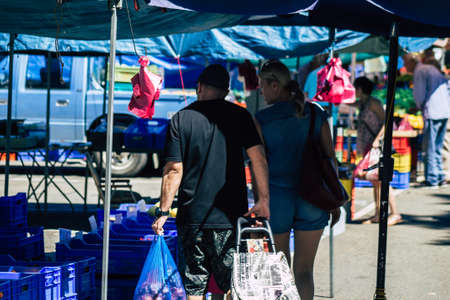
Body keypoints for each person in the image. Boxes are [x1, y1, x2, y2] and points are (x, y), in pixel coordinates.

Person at [152, 64, 270, 300]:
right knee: (233, 284)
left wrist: (163, 210)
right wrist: (263, 200)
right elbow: (258, 159)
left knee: (194, 284)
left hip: (192, 218)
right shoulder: (240, 115)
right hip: (230, 218)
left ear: (199, 87)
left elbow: (174, 170)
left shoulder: (181, 119)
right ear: (226, 90)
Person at [255, 60, 340, 300]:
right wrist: (334, 201)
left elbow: (258, 163)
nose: (260, 91)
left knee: (280, 271)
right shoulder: (315, 113)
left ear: (274, 86)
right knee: (304, 272)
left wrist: (260, 200)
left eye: (262, 85)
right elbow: (330, 159)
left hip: (277, 201)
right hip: (313, 198)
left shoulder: (262, 119)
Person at [353, 76, 402, 225]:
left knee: (383, 180)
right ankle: (378, 214)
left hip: (378, 147)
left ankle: (395, 214)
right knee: (376, 181)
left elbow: (387, 122)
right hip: (370, 146)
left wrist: (377, 140)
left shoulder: (373, 103)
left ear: (360, 89)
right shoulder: (363, 103)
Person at [403, 54, 450, 187]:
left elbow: (419, 95)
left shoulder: (420, 71)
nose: (405, 66)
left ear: (412, 61)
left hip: (433, 112)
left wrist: (417, 107)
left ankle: (432, 178)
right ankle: (439, 176)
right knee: (437, 147)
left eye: (405, 63)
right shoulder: (430, 69)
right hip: (443, 111)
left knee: (430, 147)